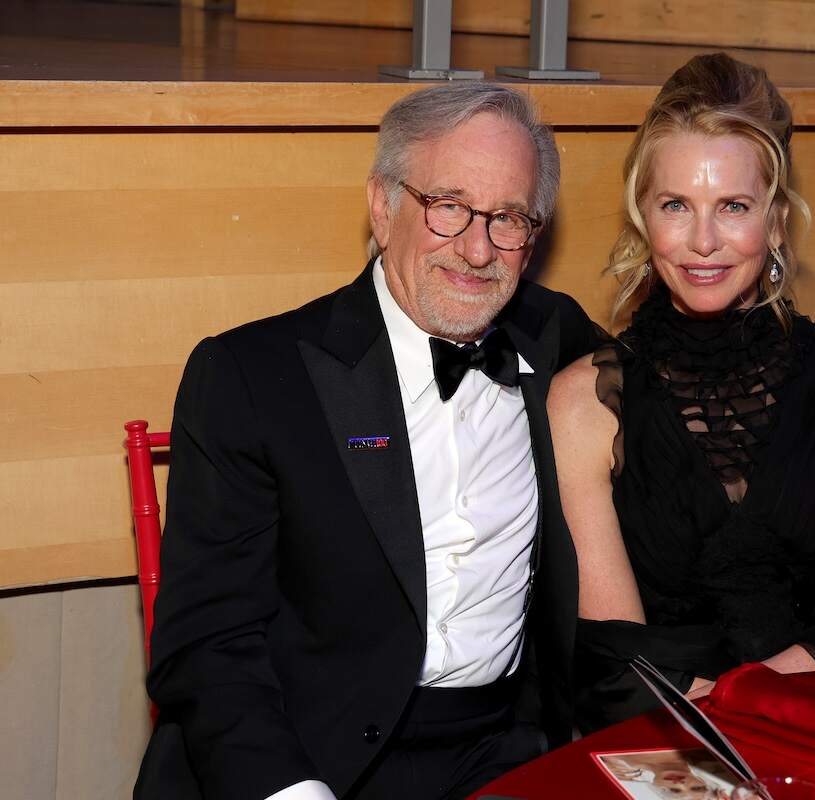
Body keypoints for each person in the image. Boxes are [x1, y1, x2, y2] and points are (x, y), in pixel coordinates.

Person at [134, 84, 596, 800]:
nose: (478, 250)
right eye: (447, 207)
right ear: (383, 207)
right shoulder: (254, 378)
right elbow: (207, 645)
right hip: (307, 758)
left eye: (508, 218)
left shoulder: (556, 338)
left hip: (502, 754)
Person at [548, 53, 815, 733]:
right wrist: (734, 719)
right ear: (643, 217)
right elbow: (614, 660)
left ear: (776, 222)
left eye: (733, 207)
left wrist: (754, 702)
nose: (701, 242)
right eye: (675, 206)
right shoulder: (584, 404)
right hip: (663, 745)